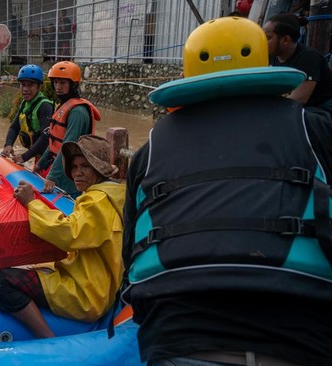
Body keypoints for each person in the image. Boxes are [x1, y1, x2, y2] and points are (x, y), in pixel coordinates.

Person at [123, 17, 332, 365]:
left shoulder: (150, 150)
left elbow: (130, 250)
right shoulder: (316, 129)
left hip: (177, 338)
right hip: (299, 337)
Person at [0, 135, 125, 338]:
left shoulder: (98, 201)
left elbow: (70, 233)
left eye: (85, 167)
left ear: (99, 169)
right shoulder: (113, 196)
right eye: (75, 166)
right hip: (94, 284)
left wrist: (31, 203)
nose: (77, 173)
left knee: (0, 280)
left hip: (86, 294)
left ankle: (48, 339)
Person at [35, 61, 101, 198]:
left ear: (73, 84)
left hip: (70, 174)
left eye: (63, 83)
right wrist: (40, 164)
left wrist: (52, 176)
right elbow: (54, 141)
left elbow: (67, 145)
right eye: (56, 82)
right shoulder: (64, 106)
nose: (58, 87)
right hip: (60, 168)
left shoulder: (77, 112)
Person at [264, 12, 332, 112]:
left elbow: (300, 99)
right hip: (298, 107)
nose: (262, 41)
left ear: (285, 40)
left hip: (321, 110)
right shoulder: (270, 55)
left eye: (268, 38)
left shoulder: (309, 57)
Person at [1, 64, 53, 167]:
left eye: (30, 85)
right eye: (23, 84)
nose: (25, 89)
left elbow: (46, 137)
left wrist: (24, 157)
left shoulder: (45, 106)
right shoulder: (25, 104)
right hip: (39, 155)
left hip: (50, 158)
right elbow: (14, 127)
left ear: (39, 86)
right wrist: (8, 144)